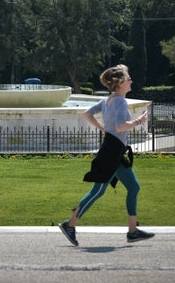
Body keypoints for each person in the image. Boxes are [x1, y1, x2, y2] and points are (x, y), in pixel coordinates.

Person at [59, 65, 154, 246]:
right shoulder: (118, 101)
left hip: (114, 150)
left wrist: (103, 128)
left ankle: (133, 231)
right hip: (112, 151)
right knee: (97, 191)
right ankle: (70, 224)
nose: (131, 81)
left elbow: (88, 114)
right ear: (120, 83)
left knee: (133, 187)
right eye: (128, 79)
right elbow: (119, 126)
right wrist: (138, 121)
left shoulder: (108, 100)